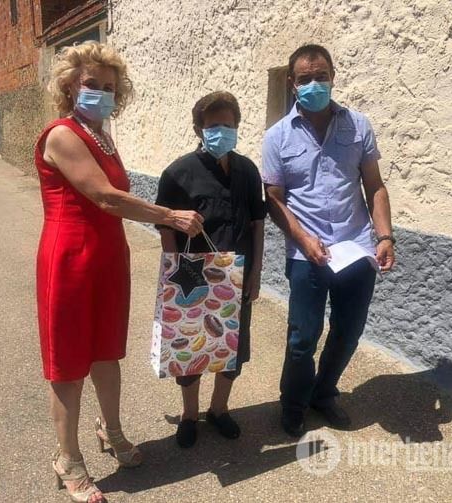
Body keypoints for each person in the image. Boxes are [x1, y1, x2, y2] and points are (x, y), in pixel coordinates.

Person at [35, 41, 203, 503]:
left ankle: (110, 429)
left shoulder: (101, 136)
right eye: (93, 84)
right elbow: (105, 197)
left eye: (110, 87)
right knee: (68, 363)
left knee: (107, 353)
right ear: (70, 86)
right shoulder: (62, 134)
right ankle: (68, 458)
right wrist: (168, 216)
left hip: (108, 255)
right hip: (69, 259)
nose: (103, 93)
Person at [262, 44, 396, 438]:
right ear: (292, 83)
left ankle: (323, 394)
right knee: (303, 337)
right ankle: (293, 404)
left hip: (356, 248)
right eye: (305, 79)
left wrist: (385, 236)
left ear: (333, 77)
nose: (314, 85)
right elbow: (274, 199)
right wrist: (303, 239)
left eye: (321, 76)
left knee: (347, 331)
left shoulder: (358, 125)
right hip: (307, 254)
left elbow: (375, 186)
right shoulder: (277, 137)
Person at [155, 91, 266, 448]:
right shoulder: (178, 173)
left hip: (237, 275)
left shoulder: (247, 171)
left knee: (231, 348)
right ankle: (190, 415)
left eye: (228, 125)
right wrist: (175, 277)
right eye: (214, 125)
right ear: (199, 129)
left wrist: (256, 272)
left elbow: (257, 224)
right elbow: (166, 228)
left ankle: (219, 409)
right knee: (191, 346)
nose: (222, 131)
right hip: (193, 277)